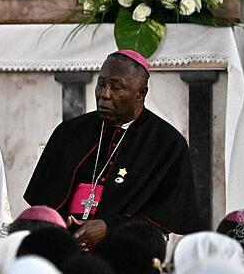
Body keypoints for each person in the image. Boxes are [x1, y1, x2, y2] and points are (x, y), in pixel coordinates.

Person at [24, 50, 200, 251]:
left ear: (141, 93)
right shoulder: (69, 132)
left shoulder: (167, 143)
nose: (104, 94)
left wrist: (110, 228)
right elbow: (43, 202)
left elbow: (166, 215)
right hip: (64, 244)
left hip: (125, 248)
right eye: (101, 84)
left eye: (116, 87)